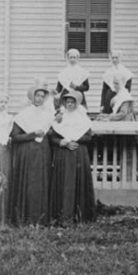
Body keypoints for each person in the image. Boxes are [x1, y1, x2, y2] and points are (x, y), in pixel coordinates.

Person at [8, 84, 55, 226]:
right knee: (29, 184)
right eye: (37, 96)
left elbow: (51, 133)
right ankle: (26, 218)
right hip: (28, 153)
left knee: (42, 183)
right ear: (31, 97)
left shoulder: (47, 114)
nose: (39, 99)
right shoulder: (23, 115)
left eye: (42, 96)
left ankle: (41, 219)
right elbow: (15, 137)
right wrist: (32, 134)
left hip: (43, 152)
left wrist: (52, 129)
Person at [48, 91, 95, 225]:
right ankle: (62, 215)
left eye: (72, 102)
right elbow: (51, 136)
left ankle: (79, 215)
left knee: (78, 181)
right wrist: (61, 142)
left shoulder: (83, 118)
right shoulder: (60, 117)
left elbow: (89, 136)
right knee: (64, 182)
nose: (69, 104)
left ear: (77, 103)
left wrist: (76, 140)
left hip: (78, 153)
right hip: (63, 153)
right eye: (67, 102)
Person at [0, 93, 12, 228]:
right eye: (1, 101)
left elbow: (8, 133)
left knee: (4, 179)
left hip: (4, 148)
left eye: (5, 102)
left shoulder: (9, 118)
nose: (3, 104)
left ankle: (4, 220)